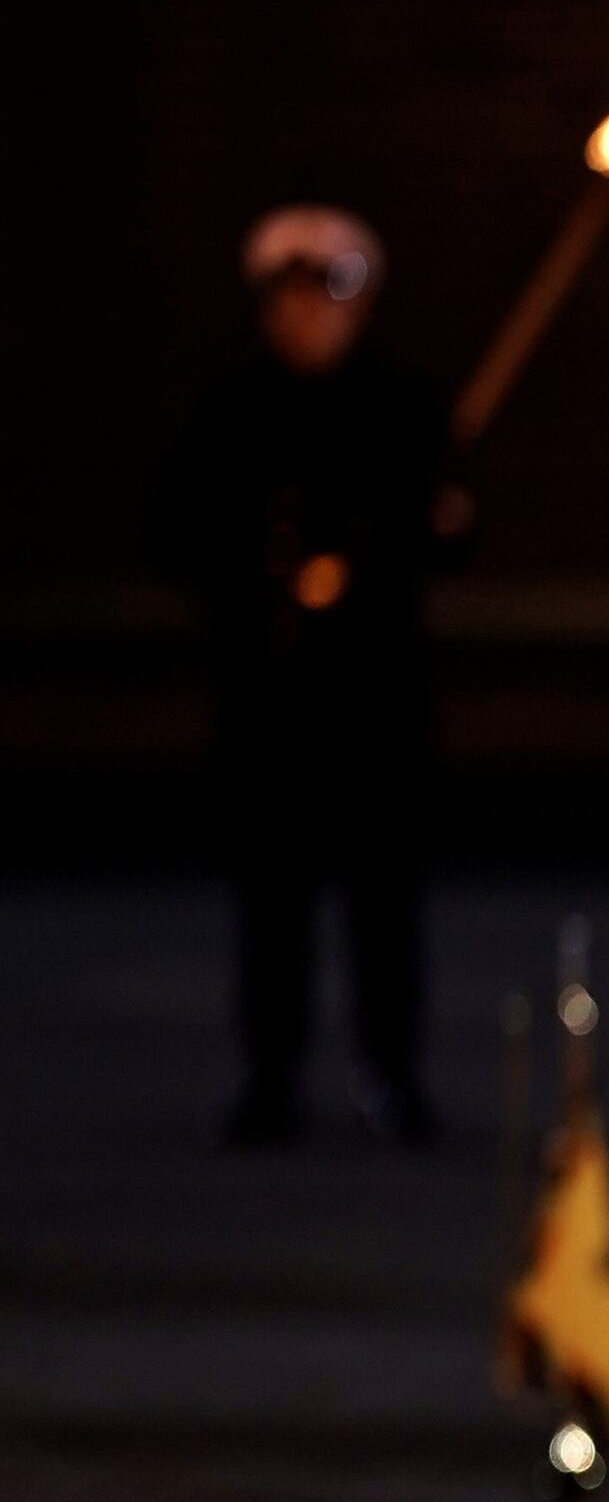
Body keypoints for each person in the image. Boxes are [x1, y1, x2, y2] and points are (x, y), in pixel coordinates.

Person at [151, 206, 464, 1146]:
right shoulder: (232, 416)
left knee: (384, 906)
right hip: (271, 703)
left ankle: (391, 1072)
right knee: (273, 905)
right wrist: (270, 579)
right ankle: (273, 1072)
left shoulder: (403, 415)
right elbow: (176, 533)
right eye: (289, 300)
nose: (308, 319)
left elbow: (443, 538)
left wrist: (436, 520)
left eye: (327, 299)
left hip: (372, 706)